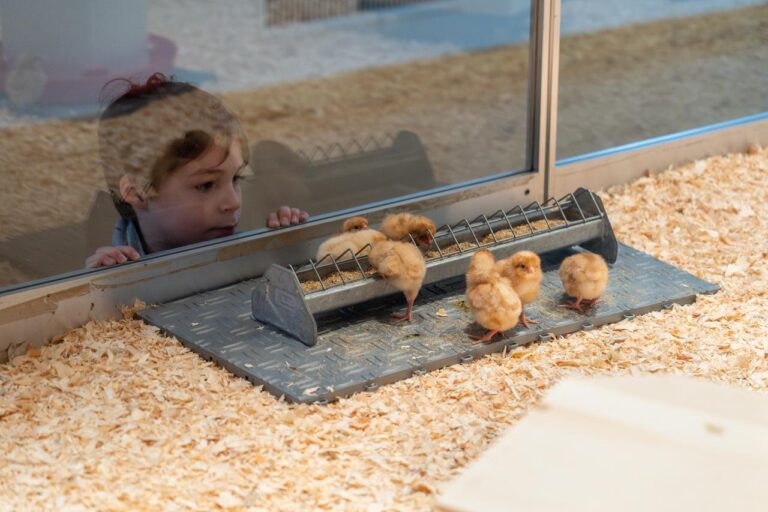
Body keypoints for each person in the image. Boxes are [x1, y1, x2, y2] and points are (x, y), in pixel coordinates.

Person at [86, 73, 308, 268]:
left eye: (236, 178)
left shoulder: (253, 230)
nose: (234, 203)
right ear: (136, 192)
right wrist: (106, 284)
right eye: (206, 185)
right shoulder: (115, 268)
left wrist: (288, 250)